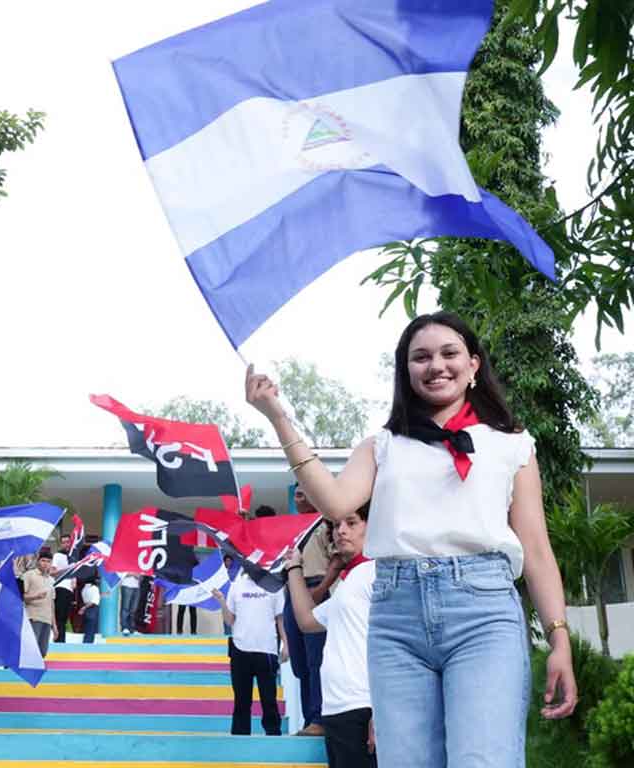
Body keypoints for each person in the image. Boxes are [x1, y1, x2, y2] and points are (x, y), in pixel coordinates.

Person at [245, 310, 577, 766]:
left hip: (483, 613)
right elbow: (338, 503)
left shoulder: (511, 444)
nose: (435, 365)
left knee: (483, 759)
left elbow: (537, 550)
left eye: (449, 353)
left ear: (474, 364)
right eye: (420, 357)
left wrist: (559, 638)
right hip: (396, 617)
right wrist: (278, 417)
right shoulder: (384, 444)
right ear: (405, 371)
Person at [286, 505, 377, 768]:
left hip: (364, 708)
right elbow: (306, 620)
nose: (341, 531)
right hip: (336, 709)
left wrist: (381, 710)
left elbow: (398, 645)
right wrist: (294, 568)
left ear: (372, 527)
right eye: (336, 526)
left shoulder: (379, 572)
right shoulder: (349, 582)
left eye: (351, 523)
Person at [280, 493, 333, 737]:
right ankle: (308, 719)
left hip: (315, 587)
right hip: (291, 589)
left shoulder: (326, 524)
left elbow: (337, 559)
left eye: (304, 492)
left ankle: (319, 718)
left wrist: (322, 589)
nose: (299, 496)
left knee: (315, 659)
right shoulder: (289, 529)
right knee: (300, 664)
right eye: (297, 492)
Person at [211, 572, 288, 736]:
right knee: (241, 700)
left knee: (269, 699)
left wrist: (286, 645)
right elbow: (230, 620)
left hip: (266, 649)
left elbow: (280, 619)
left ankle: (273, 735)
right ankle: (240, 739)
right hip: (240, 649)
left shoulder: (274, 586)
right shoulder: (236, 585)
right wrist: (222, 601)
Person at [23, 549, 56, 657]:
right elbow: (20, 597)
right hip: (33, 618)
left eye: (48, 561)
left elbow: (51, 604)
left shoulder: (51, 580)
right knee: (31, 651)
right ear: (38, 561)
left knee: (42, 653)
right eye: (43, 560)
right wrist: (36, 596)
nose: (45, 564)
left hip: (47, 620)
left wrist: (54, 625)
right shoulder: (29, 575)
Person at [51, 547, 75, 642]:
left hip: (69, 590)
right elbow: (52, 572)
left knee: (64, 619)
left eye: (68, 542)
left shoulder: (73, 558)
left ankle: (61, 640)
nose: (67, 545)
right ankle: (58, 641)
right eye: (64, 542)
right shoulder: (58, 555)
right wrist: (67, 569)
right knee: (59, 618)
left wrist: (74, 579)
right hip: (60, 587)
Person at [79, 574, 101, 643]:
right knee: (91, 630)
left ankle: (85, 643)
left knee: (87, 629)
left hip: (87, 609)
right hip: (93, 609)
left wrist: (84, 608)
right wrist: (84, 608)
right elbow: (93, 601)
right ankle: (88, 645)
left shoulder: (84, 589)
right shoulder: (95, 588)